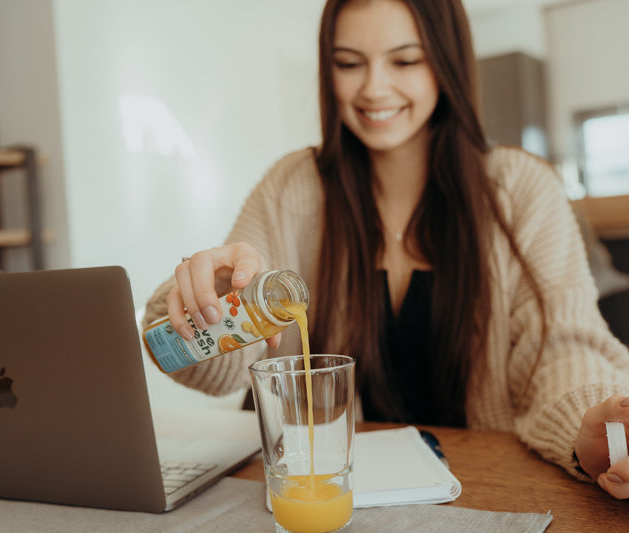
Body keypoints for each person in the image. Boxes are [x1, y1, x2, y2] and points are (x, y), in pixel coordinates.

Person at [142, 0, 629, 499]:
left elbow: (563, 346)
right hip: (328, 497)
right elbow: (212, 373)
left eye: (405, 60)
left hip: (486, 494)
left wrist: (591, 420)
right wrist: (204, 306)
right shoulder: (293, 188)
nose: (373, 87)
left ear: (448, 62)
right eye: (349, 63)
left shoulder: (520, 188)